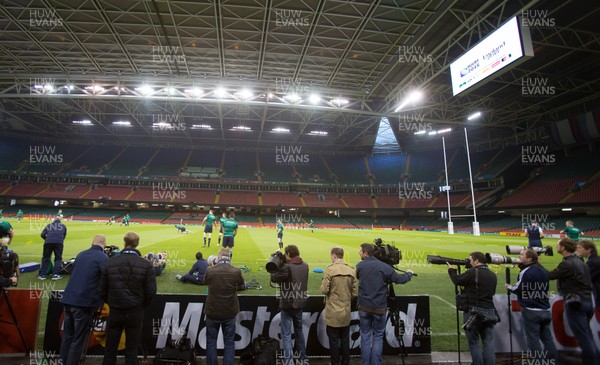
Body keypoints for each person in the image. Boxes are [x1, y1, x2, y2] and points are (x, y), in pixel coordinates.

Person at [100, 232, 157, 365]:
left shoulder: (111, 262)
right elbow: (151, 292)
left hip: (116, 310)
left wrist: (113, 302)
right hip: (134, 311)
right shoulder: (146, 264)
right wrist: (140, 305)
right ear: (137, 244)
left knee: (110, 349)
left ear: (124, 243)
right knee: (131, 351)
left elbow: (102, 289)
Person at [356, 243, 413, 365]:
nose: (359, 253)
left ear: (366, 253)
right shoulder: (385, 267)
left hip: (364, 307)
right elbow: (400, 279)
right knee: (378, 337)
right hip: (379, 308)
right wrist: (409, 274)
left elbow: (358, 276)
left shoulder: (360, 266)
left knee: (365, 336)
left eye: (361, 251)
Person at [548, 238, 599, 365]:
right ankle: (595, 359)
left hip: (576, 302)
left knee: (583, 337)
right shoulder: (581, 262)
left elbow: (549, 276)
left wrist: (535, 264)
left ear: (564, 248)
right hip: (588, 301)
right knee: (587, 334)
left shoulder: (567, 264)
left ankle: (591, 362)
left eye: (558, 245)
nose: (556, 247)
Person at [60, 234, 109, 365]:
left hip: (68, 299)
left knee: (67, 337)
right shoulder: (102, 257)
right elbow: (107, 276)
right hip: (83, 302)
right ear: (104, 244)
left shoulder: (81, 254)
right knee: (78, 339)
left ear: (92, 242)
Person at [447, 252, 498, 365]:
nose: (468, 262)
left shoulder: (473, 272)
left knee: (474, 342)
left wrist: (451, 270)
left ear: (476, 261)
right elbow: (492, 292)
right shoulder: (492, 275)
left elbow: (457, 280)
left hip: (474, 312)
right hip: (490, 311)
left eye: (470, 260)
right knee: (488, 342)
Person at [506, 249, 556, 362]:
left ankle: (537, 362)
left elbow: (519, 289)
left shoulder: (526, 272)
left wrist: (509, 287)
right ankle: (553, 361)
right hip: (545, 308)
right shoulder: (543, 271)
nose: (519, 256)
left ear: (529, 259)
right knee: (547, 339)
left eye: (521, 254)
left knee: (533, 339)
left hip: (531, 309)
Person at [204, 248, 245, 365]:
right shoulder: (236, 271)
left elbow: (204, 281)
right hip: (229, 311)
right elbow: (241, 284)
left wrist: (213, 264)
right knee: (229, 342)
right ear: (229, 257)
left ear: (218, 257)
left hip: (212, 311)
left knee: (211, 341)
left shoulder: (210, 270)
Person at [320, 247, 357, 365]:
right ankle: (346, 362)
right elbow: (355, 293)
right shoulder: (351, 270)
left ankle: (335, 363)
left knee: (334, 341)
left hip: (333, 312)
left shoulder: (330, 269)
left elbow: (324, 290)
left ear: (334, 256)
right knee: (345, 340)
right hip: (345, 311)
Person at [279, 244, 309, 365]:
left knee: (286, 335)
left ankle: (289, 362)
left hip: (288, 304)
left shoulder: (287, 267)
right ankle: (303, 358)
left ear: (289, 255)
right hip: (300, 302)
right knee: (299, 331)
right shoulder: (305, 266)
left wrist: (278, 264)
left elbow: (274, 278)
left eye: (286, 254)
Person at [38, 216, 67, 280]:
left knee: (46, 258)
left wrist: (47, 239)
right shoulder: (63, 226)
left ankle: (42, 275)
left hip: (48, 243)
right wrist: (59, 240)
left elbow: (42, 234)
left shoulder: (49, 225)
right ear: (60, 221)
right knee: (58, 258)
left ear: (53, 220)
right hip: (59, 243)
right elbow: (64, 236)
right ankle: (55, 275)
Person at [577, 239, 600, 307]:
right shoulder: (596, 259)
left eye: (580, 248)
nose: (578, 250)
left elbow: (584, 278)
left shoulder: (592, 262)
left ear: (589, 250)